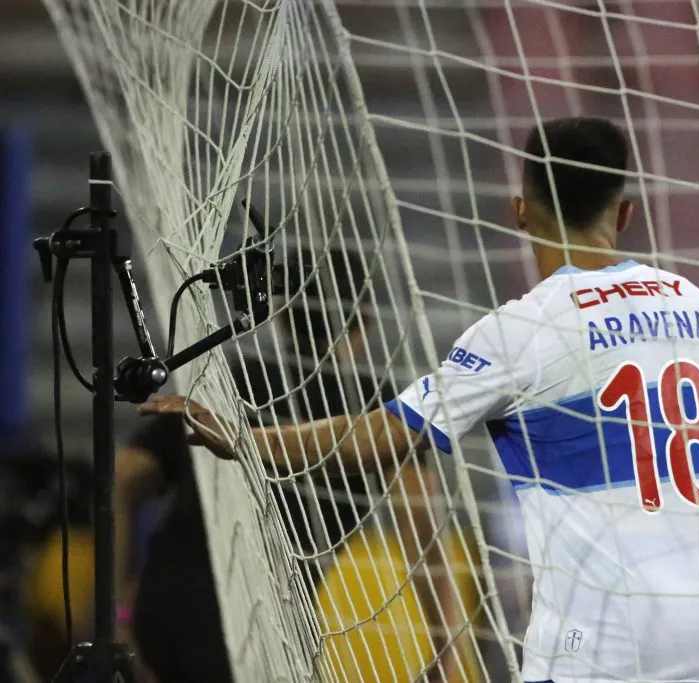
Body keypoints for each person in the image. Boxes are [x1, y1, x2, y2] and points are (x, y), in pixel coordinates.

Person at [142, 117, 699, 683]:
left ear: (519, 211)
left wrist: (245, 439)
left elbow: (390, 434)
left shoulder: (525, 328)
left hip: (600, 643)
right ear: (625, 213)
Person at [116, 248, 450, 682]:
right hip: (267, 622)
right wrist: (445, 644)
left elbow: (121, 479)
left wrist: (119, 613)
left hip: (167, 603)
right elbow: (421, 529)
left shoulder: (231, 382)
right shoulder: (374, 407)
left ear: (282, 316)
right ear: (366, 323)